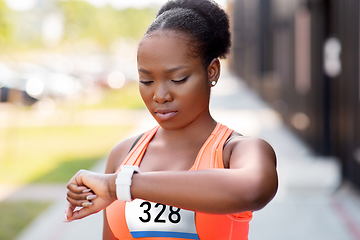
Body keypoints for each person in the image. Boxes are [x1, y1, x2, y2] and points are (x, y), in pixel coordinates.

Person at [64, 0, 278, 239]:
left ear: (212, 72)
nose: (160, 95)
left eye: (177, 79)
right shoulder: (123, 155)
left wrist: (119, 187)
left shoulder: (238, 151)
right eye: (146, 81)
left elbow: (253, 189)